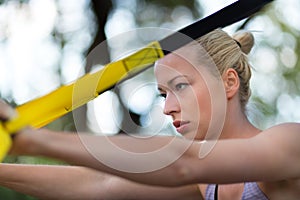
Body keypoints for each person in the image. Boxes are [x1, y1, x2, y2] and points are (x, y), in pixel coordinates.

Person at [0, 28, 300, 200]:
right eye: (163, 94)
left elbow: (183, 161)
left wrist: (30, 140)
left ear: (229, 83)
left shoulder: (290, 143)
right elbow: (99, 184)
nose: (167, 108)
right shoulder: (207, 182)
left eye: (180, 86)